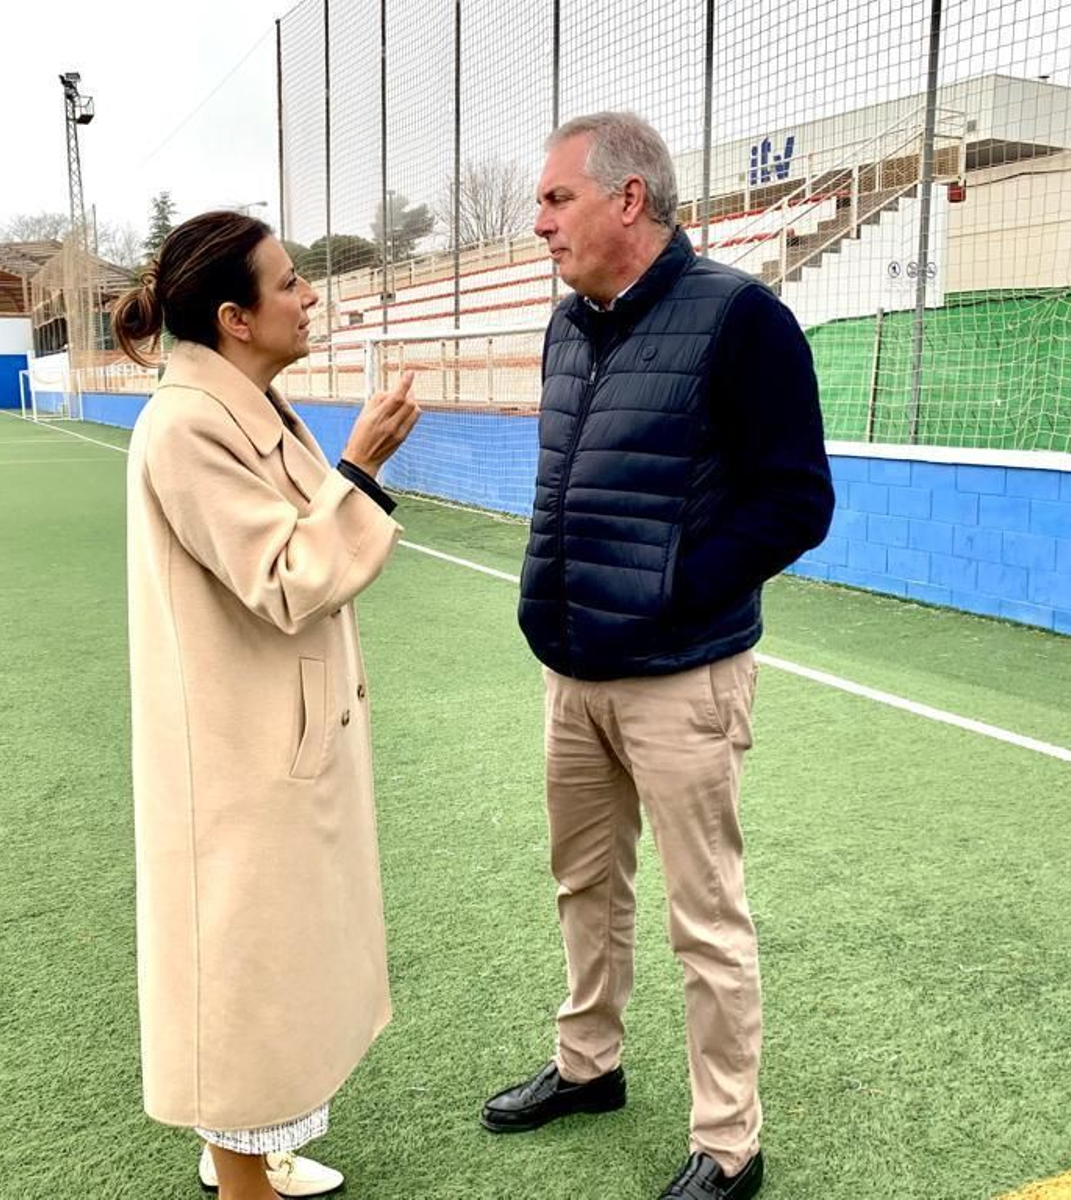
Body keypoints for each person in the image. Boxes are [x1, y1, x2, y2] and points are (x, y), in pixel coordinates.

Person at [480, 113, 834, 1200]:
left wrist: (676, 587)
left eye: (554, 200)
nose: (537, 224)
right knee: (584, 883)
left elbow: (796, 503)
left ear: (628, 199)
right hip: (574, 667)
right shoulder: (566, 325)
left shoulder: (742, 319)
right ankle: (589, 1067)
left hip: (683, 676)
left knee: (704, 914)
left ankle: (730, 1141)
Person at [116, 210, 420, 1200]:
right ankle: (238, 1171)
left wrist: (349, 472)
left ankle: (243, 1158)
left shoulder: (251, 406)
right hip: (238, 763)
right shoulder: (187, 426)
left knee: (275, 977)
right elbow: (286, 575)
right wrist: (363, 468)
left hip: (276, 741)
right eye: (290, 283)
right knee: (244, 987)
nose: (310, 297)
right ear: (236, 317)